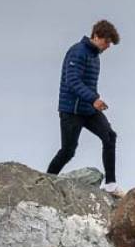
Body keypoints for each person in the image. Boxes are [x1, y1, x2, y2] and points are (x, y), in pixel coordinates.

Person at [46, 19, 124, 196]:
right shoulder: (77, 52)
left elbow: (88, 83)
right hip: (71, 111)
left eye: (110, 43)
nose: (108, 46)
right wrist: (94, 99)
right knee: (68, 151)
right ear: (96, 36)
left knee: (110, 136)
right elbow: (72, 81)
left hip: (88, 110)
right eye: (106, 41)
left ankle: (110, 184)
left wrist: (93, 102)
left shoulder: (95, 56)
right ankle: (46, 182)